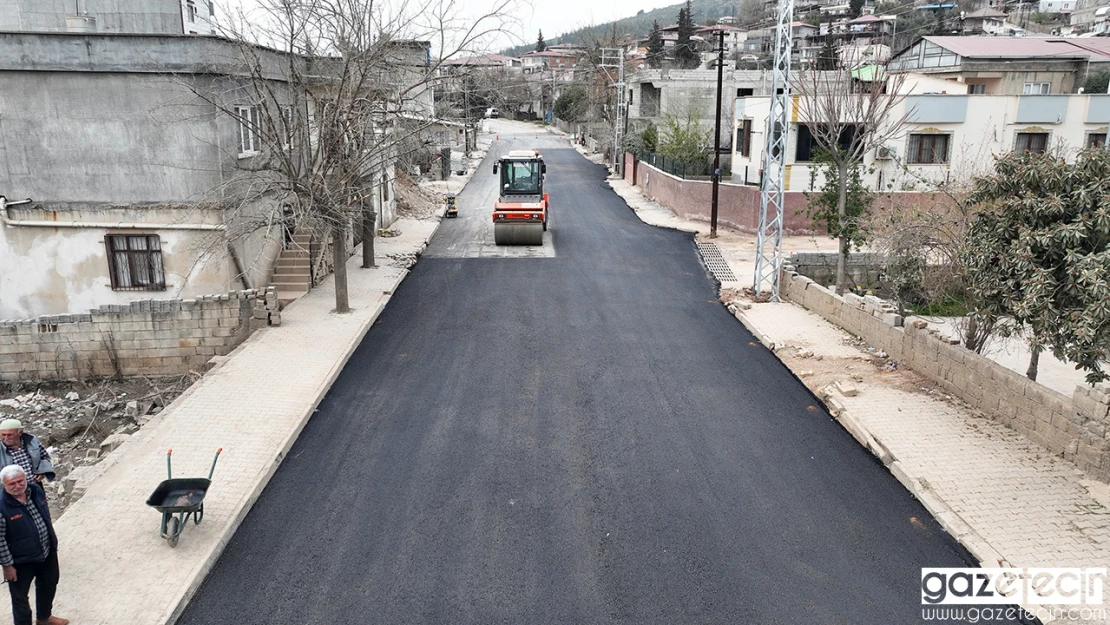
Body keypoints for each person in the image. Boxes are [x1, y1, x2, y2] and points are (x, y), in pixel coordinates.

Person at [0, 465, 67, 625]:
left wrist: (52, 542)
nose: (17, 486)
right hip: (20, 561)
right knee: (20, 600)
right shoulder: (2, 506)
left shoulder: (35, 490)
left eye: (20, 481)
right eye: (12, 484)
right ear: (4, 485)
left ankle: (44, 618)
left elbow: (45, 515)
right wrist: (7, 566)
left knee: (49, 584)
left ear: (25, 479)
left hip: (46, 551)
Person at [0, 421, 54, 485]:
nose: (6, 438)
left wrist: (42, 471)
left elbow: (44, 457)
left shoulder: (32, 441)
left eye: (10, 435)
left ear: (20, 433)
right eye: (3, 435)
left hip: (34, 486)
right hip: (11, 490)